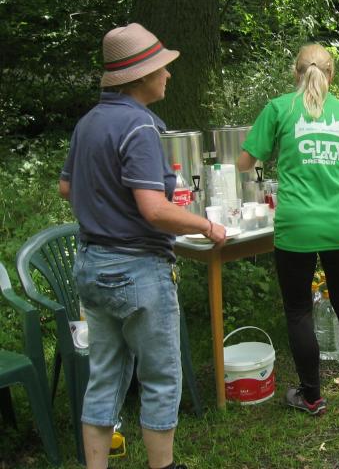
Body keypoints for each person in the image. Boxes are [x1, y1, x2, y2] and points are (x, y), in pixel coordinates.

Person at [59, 23, 227, 469]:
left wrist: (106, 206)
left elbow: (66, 187)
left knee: (104, 378)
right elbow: (154, 211)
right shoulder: (139, 126)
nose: (168, 74)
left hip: (91, 265)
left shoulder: (88, 122)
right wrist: (206, 226)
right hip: (137, 270)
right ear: (141, 76)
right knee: (160, 378)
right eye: (162, 67)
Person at [237, 43, 339, 416]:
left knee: (298, 311)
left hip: (295, 224)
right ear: (331, 74)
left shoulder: (279, 108)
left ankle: (312, 396)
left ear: (295, 73)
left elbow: (245, 162)